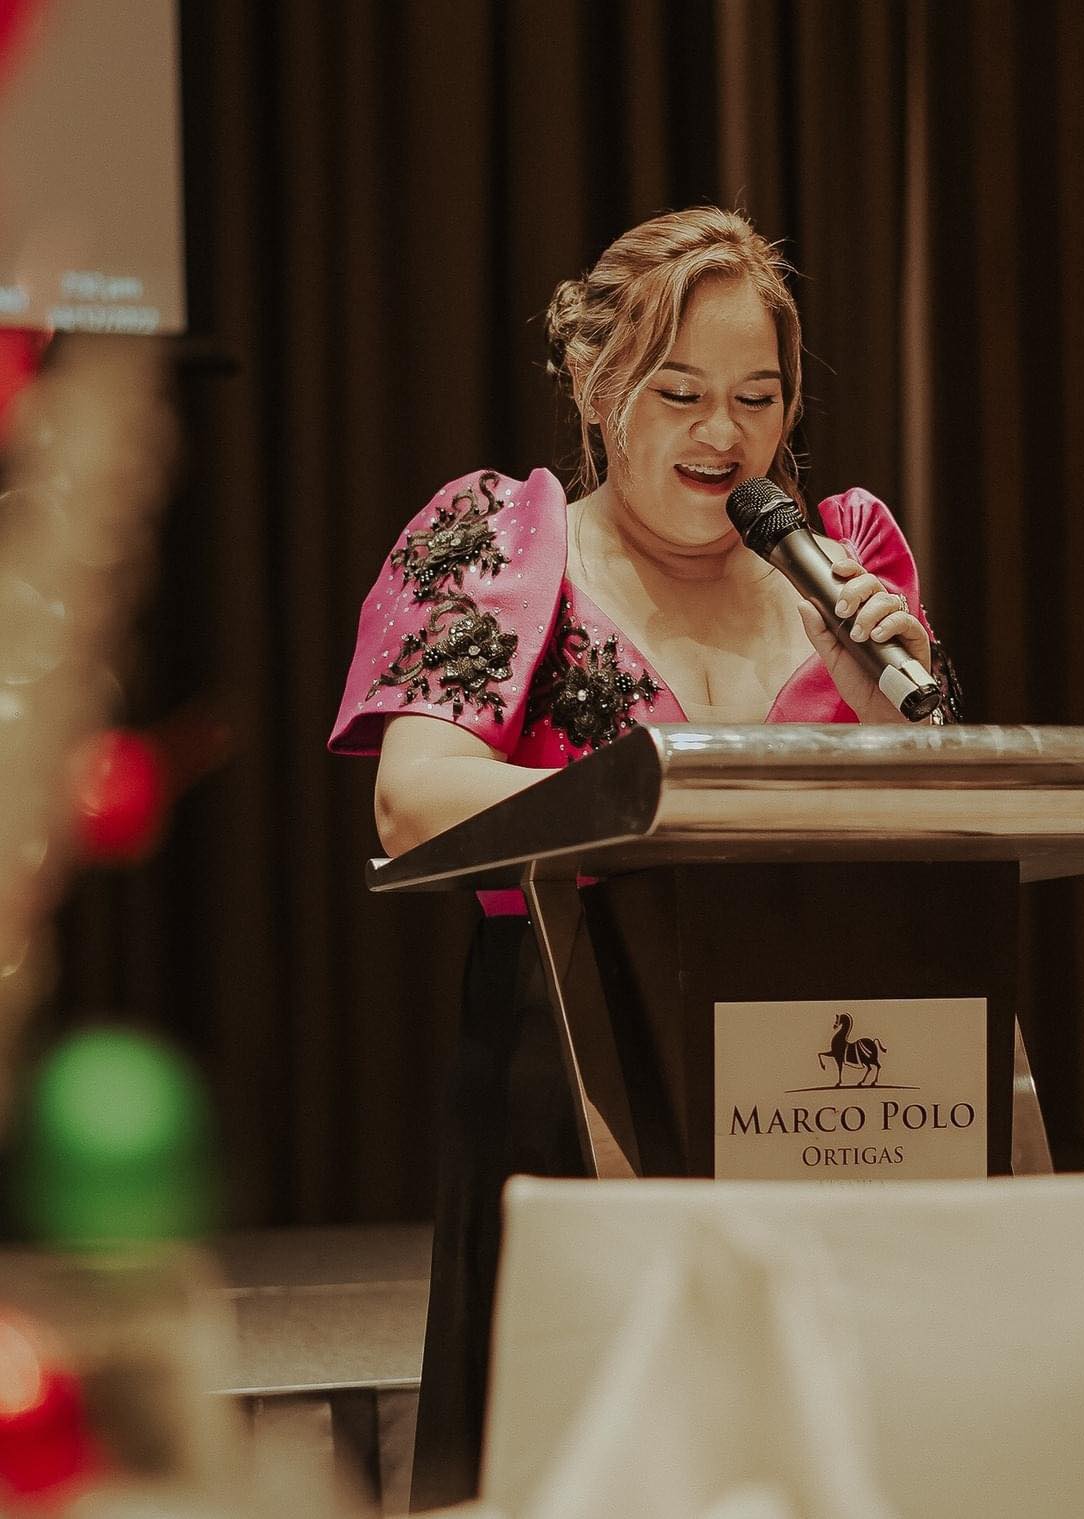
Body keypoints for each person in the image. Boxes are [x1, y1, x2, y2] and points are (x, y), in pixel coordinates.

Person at [328, 205, 958, 1509]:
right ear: (593, 383)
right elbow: (415, 797)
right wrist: (659, 812)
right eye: (681, 393)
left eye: (757, 398)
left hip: (837, 1059)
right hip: (581, 1041)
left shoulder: (841, 566)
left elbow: (945, 817)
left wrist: (885, 701)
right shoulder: (504, 541)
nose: (724, 434)